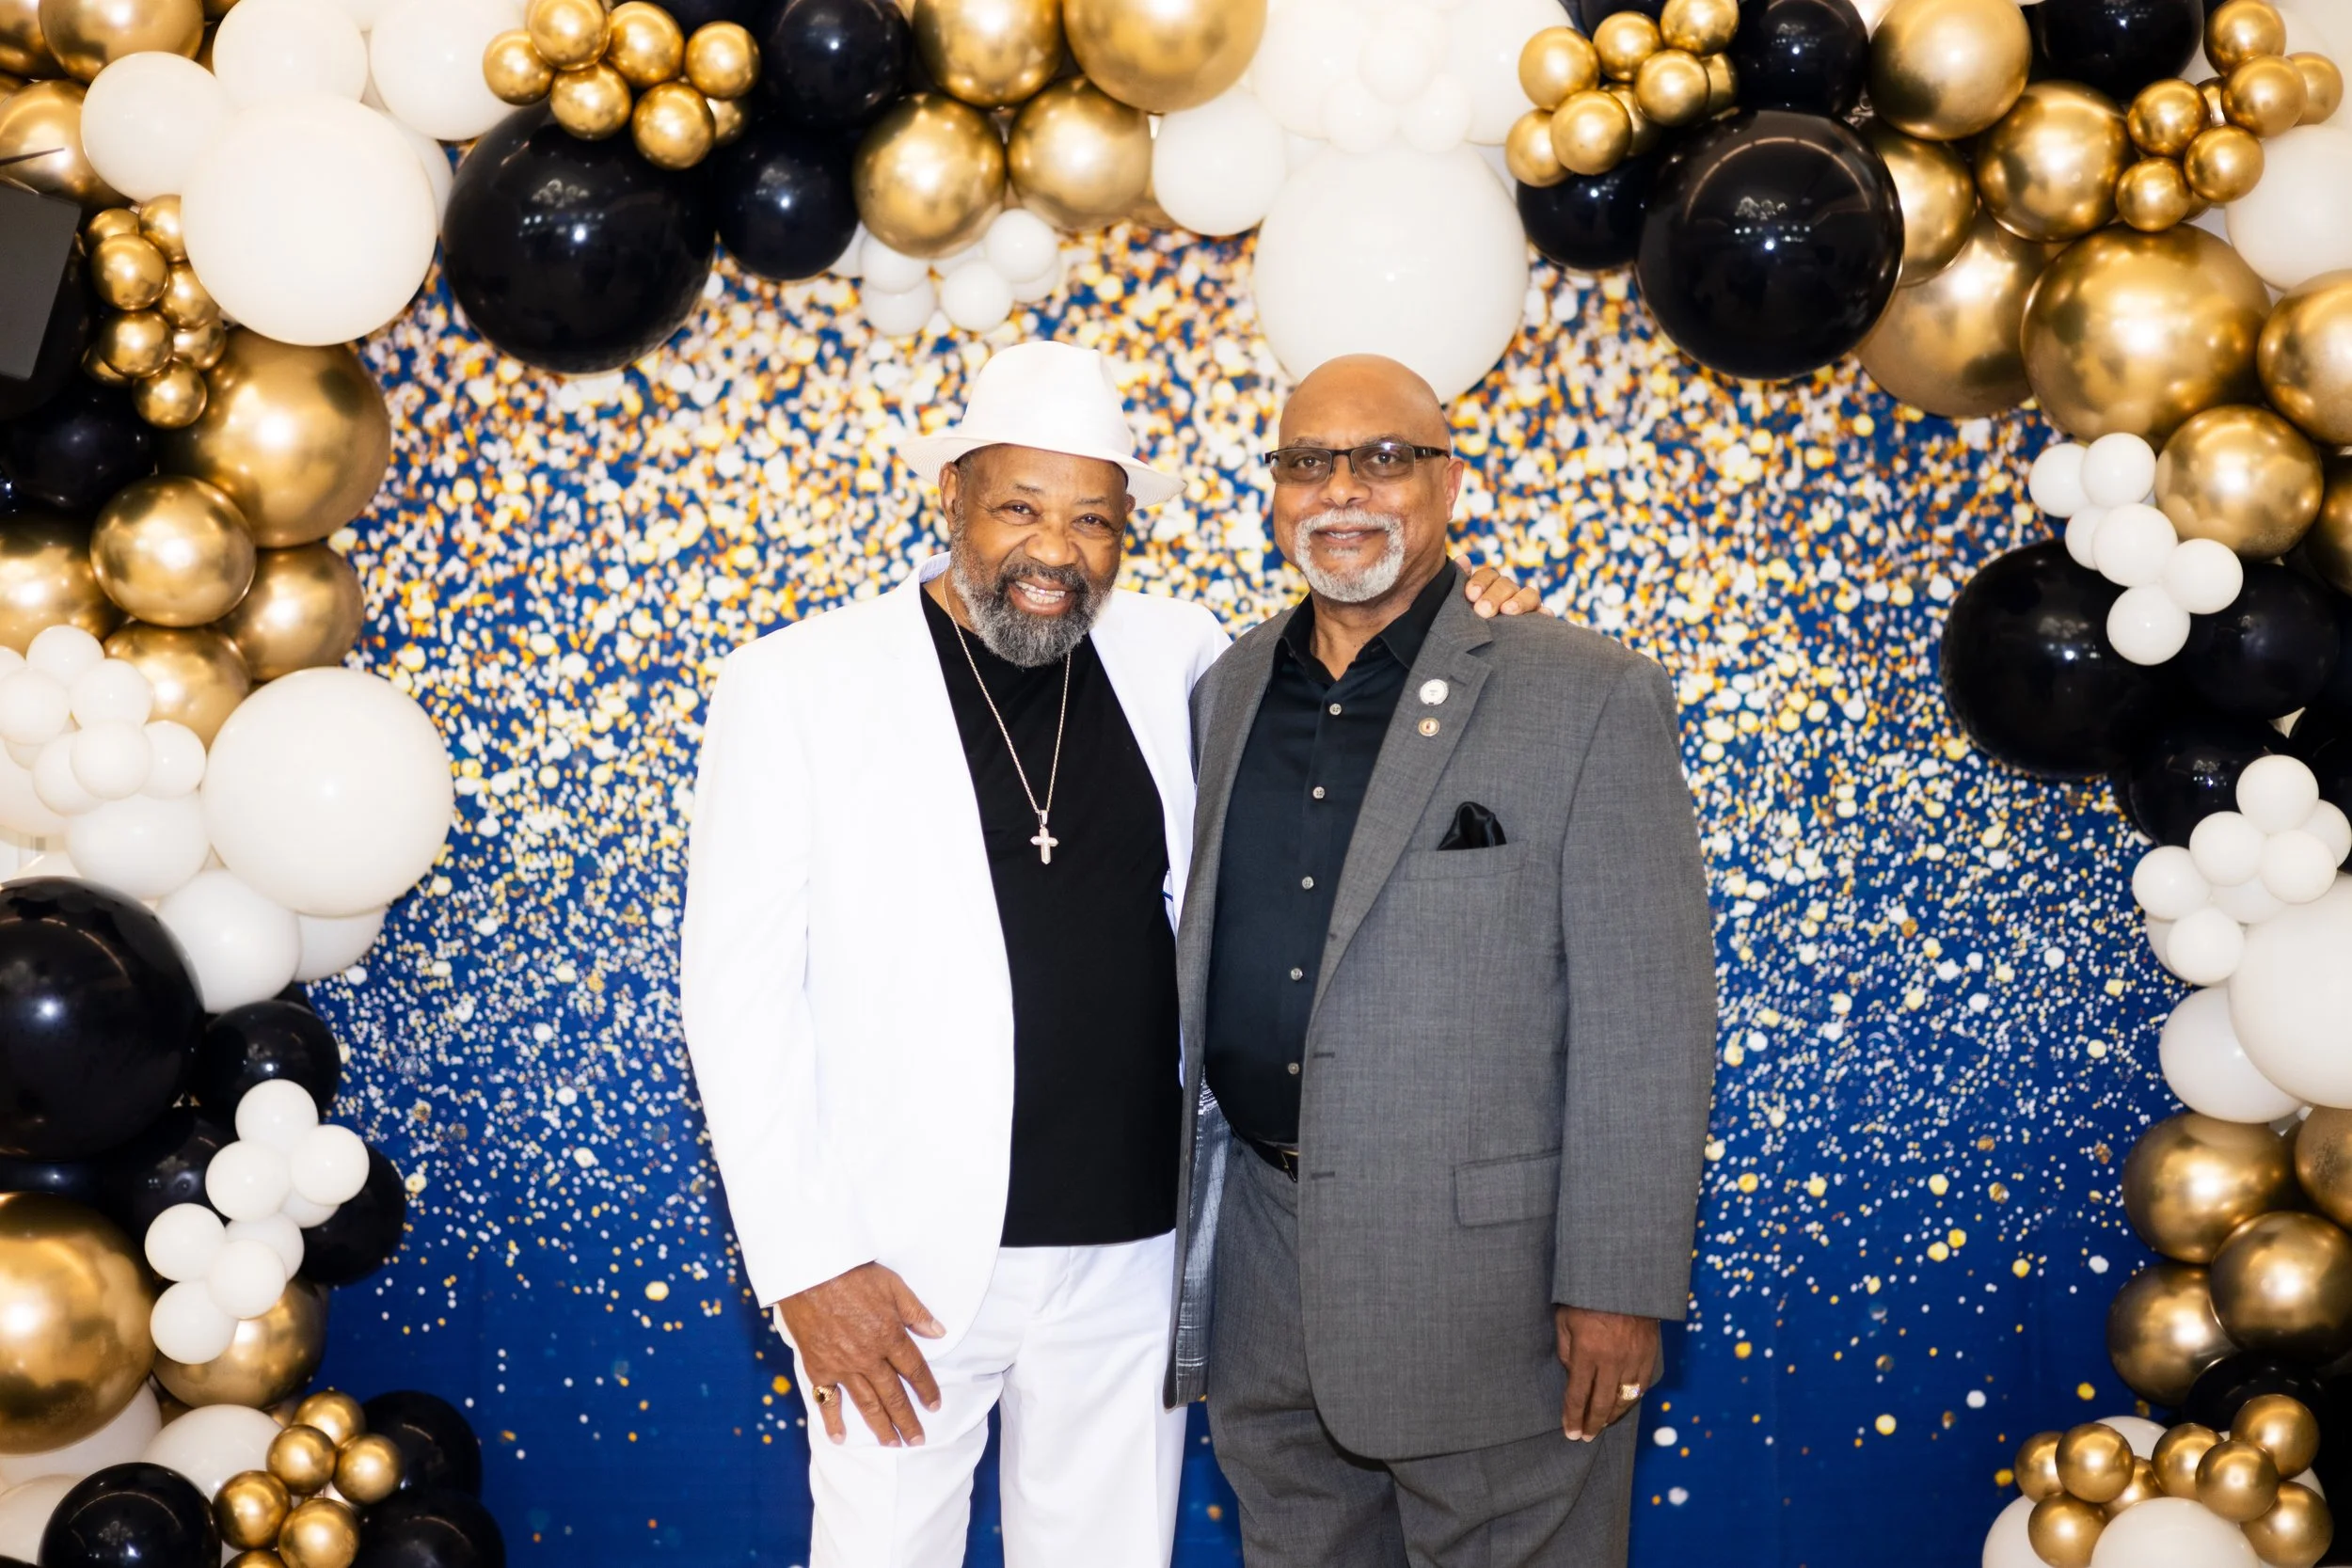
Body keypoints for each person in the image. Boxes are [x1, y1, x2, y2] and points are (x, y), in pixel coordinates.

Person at [679, 341, 1534, 1567]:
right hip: (900, 1256)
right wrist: (808, 1263)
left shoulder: (1179, 654)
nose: (1055, 550)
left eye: (1092, 519)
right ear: (953, 498)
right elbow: (737, 997)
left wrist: (1466, 622)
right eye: (1020, 507)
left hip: (1137, 1247)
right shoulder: (796, 684)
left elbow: (1354, 710)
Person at [1168, 354, 1718, 1567]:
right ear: (1273, 491)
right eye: (1307, 461)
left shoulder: (1587, 693)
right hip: (1263, 1272)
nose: (1341, 489)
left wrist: (1618, 1284)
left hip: (1495, 1298)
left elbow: (1649, 1016)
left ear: (1450, 483)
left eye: (1384, 457)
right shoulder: (1225, 689)